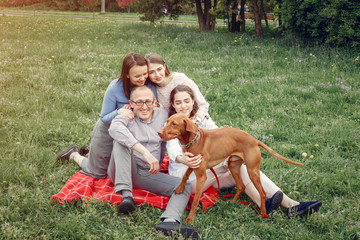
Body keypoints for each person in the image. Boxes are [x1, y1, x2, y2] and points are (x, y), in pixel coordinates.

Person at [167, 85, 322, 217]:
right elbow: (173, 149)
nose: (183, 106)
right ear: (173, 105)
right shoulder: (171, 124)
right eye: (178, 102)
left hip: (209, 172)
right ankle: (287, 204)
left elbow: (217, 133)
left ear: (193, 101)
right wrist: (183, 158)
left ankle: (280, 203)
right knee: (235, 164)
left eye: (187, 101)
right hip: (188, 180)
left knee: (240, 164)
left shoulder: (202, 119)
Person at [107, 85, 199, 238]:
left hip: (145, 172)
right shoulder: (126, 116)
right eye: (139, 102)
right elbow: (114, 129)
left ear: (155, 102)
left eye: (148, 102)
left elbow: (185, 119)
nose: (144, 107)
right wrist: (145, 152)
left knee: (184, 185)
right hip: (121, 169)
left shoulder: (164, 116)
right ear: (131, 104)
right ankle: (126, 196)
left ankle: (169, 222)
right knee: (120, 141)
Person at [56, 53, 156, 180]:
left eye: (145, 74)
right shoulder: (115, 87)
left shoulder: (150, 86)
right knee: (98, 173)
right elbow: (104, 117)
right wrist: (119, 111)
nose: (142, 79)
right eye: (137, 76)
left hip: (134, 132)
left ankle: (91, 153)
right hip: (108, 129)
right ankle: (74, 154)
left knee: (131, 170)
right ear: (126, 74)